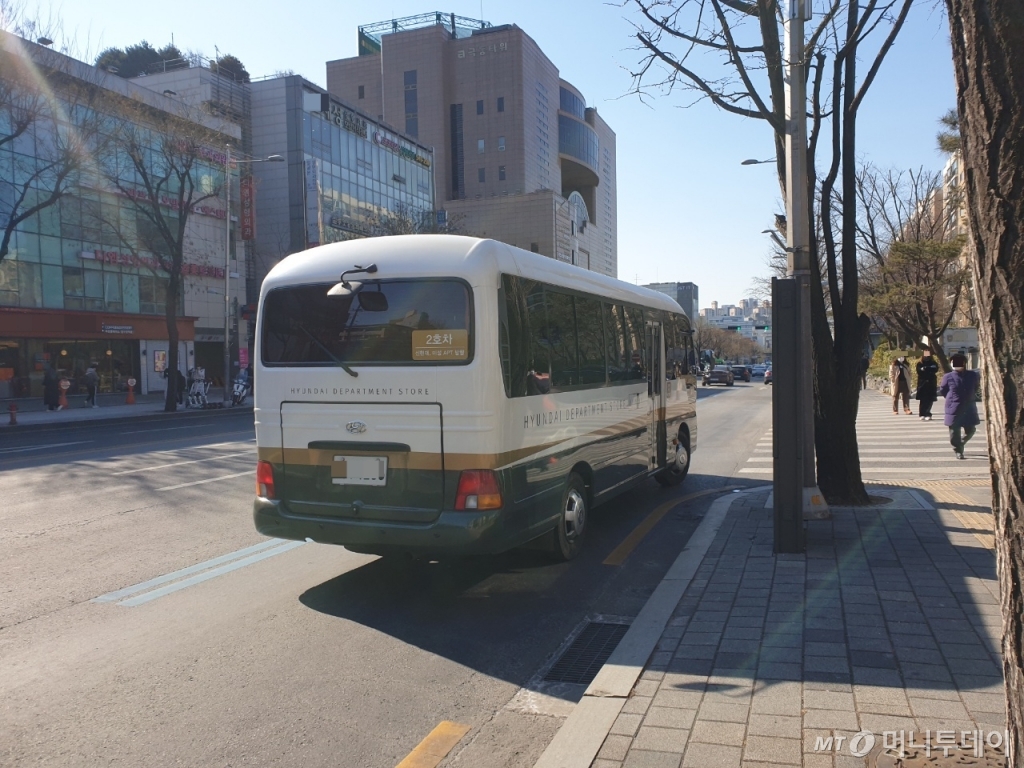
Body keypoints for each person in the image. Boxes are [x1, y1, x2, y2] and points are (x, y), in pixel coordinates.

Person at [938, 353, 980, 459]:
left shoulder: (972, 375)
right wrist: (951, 398)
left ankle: (961, 443)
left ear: (964, 363)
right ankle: (958, 450)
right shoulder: (948, 376)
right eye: (953, 362)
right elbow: (943, 390)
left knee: (971, 430)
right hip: (954, 407)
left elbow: (975, 387)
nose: (955, 364)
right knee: (954, 431)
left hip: (969, 406)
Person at [915, 350, 940, 420]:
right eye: (925, 355)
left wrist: (927, 369)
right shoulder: (920, 363)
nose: (926, 357)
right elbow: (919, 371)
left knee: (930, 400)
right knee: (923, 400)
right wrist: (925, 369)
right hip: (922, 384)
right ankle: (922, 414)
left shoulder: (933, 363)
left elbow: (935, 369)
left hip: (931, 383)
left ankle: (928, 413)